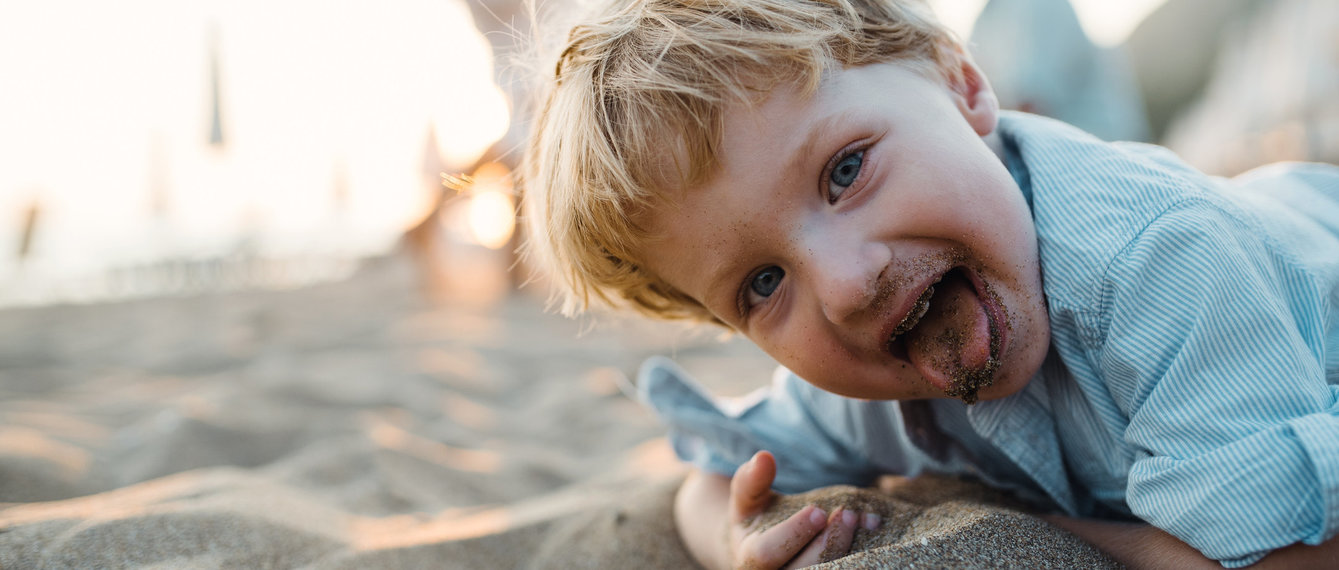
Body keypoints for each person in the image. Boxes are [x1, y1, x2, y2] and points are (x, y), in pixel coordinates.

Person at [519, 0, 1339, 567]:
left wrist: (1035, 533)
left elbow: (1291, 557)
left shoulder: (1154, 261)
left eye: (845, 171)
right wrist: (732, 538)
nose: (845, 285)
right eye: (763, 283)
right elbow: (712, 476)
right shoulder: (863, 375)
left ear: (962, 86)